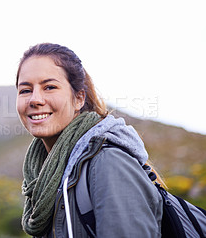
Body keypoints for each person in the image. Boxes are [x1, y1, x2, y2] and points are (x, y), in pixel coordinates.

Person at [16, 43, 163, 237]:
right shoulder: (45, 176)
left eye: (49, 87)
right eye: (25, 90)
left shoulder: (108, 162)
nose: (35, 99)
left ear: (79, 99)